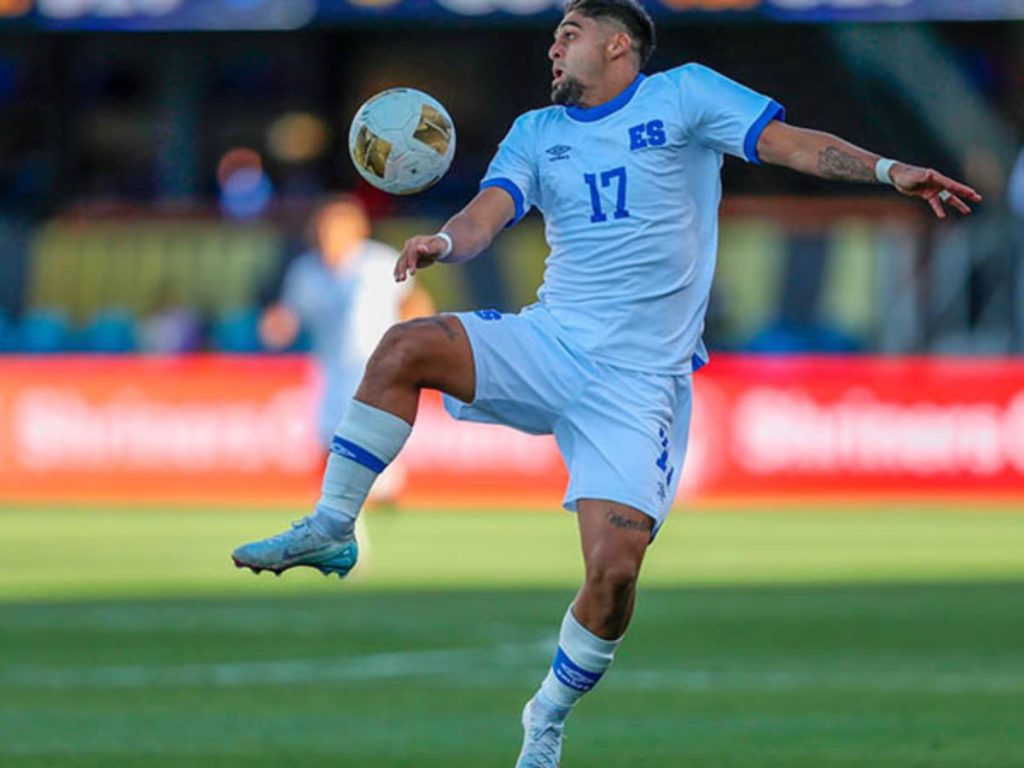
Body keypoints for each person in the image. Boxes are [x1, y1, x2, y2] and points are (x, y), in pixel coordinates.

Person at [233, 1, 981, 764]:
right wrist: (445, 241)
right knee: (406, 347)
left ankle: (546, 716)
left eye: (569, 33)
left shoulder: (684, 95)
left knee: (614, 575)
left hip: (640, 385)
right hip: (553, 341)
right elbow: (492, 211)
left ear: (618, 44)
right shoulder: (537, 133)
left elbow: (791, 145)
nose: (552, 48)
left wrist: (890, 171)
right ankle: (332, 525)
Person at [260, 195, 433, 499]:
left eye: (336, 230)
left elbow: (415, 302)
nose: (329, 238)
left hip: (377, 368)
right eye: (324, 230)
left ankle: (372, 496)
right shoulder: (306, 272)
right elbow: (289, 319)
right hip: (330, 372)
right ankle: (342, 524)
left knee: (369, 455)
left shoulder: (379, 263)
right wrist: (275, 327)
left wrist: (417, 344)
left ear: (356, 230)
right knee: (330, 448)